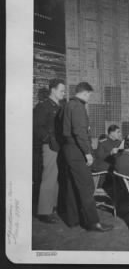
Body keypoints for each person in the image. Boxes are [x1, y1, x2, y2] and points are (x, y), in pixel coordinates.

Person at [62, 82, 113, 232]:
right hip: (78, 151)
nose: (89, 98)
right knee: (87, 186)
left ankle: (73, 220)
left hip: (68, 150)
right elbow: (79, 132)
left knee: (72, 186)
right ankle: (93, 223)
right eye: (89, 95)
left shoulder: (67, 105)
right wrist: (87, 153)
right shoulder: (78, 106)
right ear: (84, 93)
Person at [33, 78, 65, 223]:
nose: (64, 93)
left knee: (57, 178)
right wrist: (49, 139)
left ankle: (53, 206)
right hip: (50, 147)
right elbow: (36, 127)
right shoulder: (43, 106)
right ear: (52, 90)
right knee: (49, 178)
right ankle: (44, 212)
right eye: (61, 90)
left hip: (62, 146)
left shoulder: (61, 106)